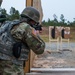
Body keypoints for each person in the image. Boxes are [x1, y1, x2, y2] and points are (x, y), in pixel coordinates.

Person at [0, 6, 45, 75]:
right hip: (13, 69)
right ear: (32, 20)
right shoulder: (25, 28)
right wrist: (36, 33)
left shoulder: (8, 24)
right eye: (35, 23)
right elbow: (40, 49)